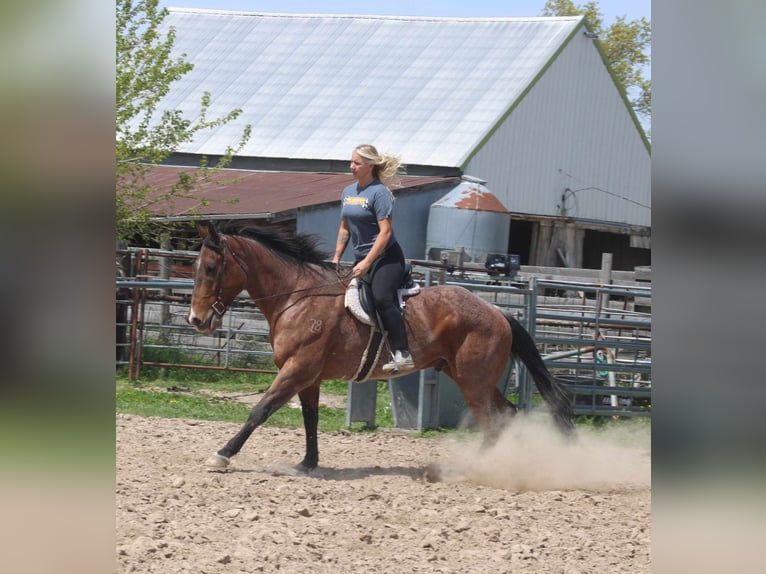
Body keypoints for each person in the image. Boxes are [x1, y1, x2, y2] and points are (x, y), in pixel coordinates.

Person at [332, 144, 414, 373]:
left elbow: (386, 232)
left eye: (357, 163)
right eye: (351, 162)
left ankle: (403, 353)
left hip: (386, 258)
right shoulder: (348, 192)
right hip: (361, 259)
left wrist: (367, 262)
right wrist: (336, 257)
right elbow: (344, 227)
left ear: (370, 166)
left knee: (381, 298)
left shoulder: (379, 193)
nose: (351, 166)